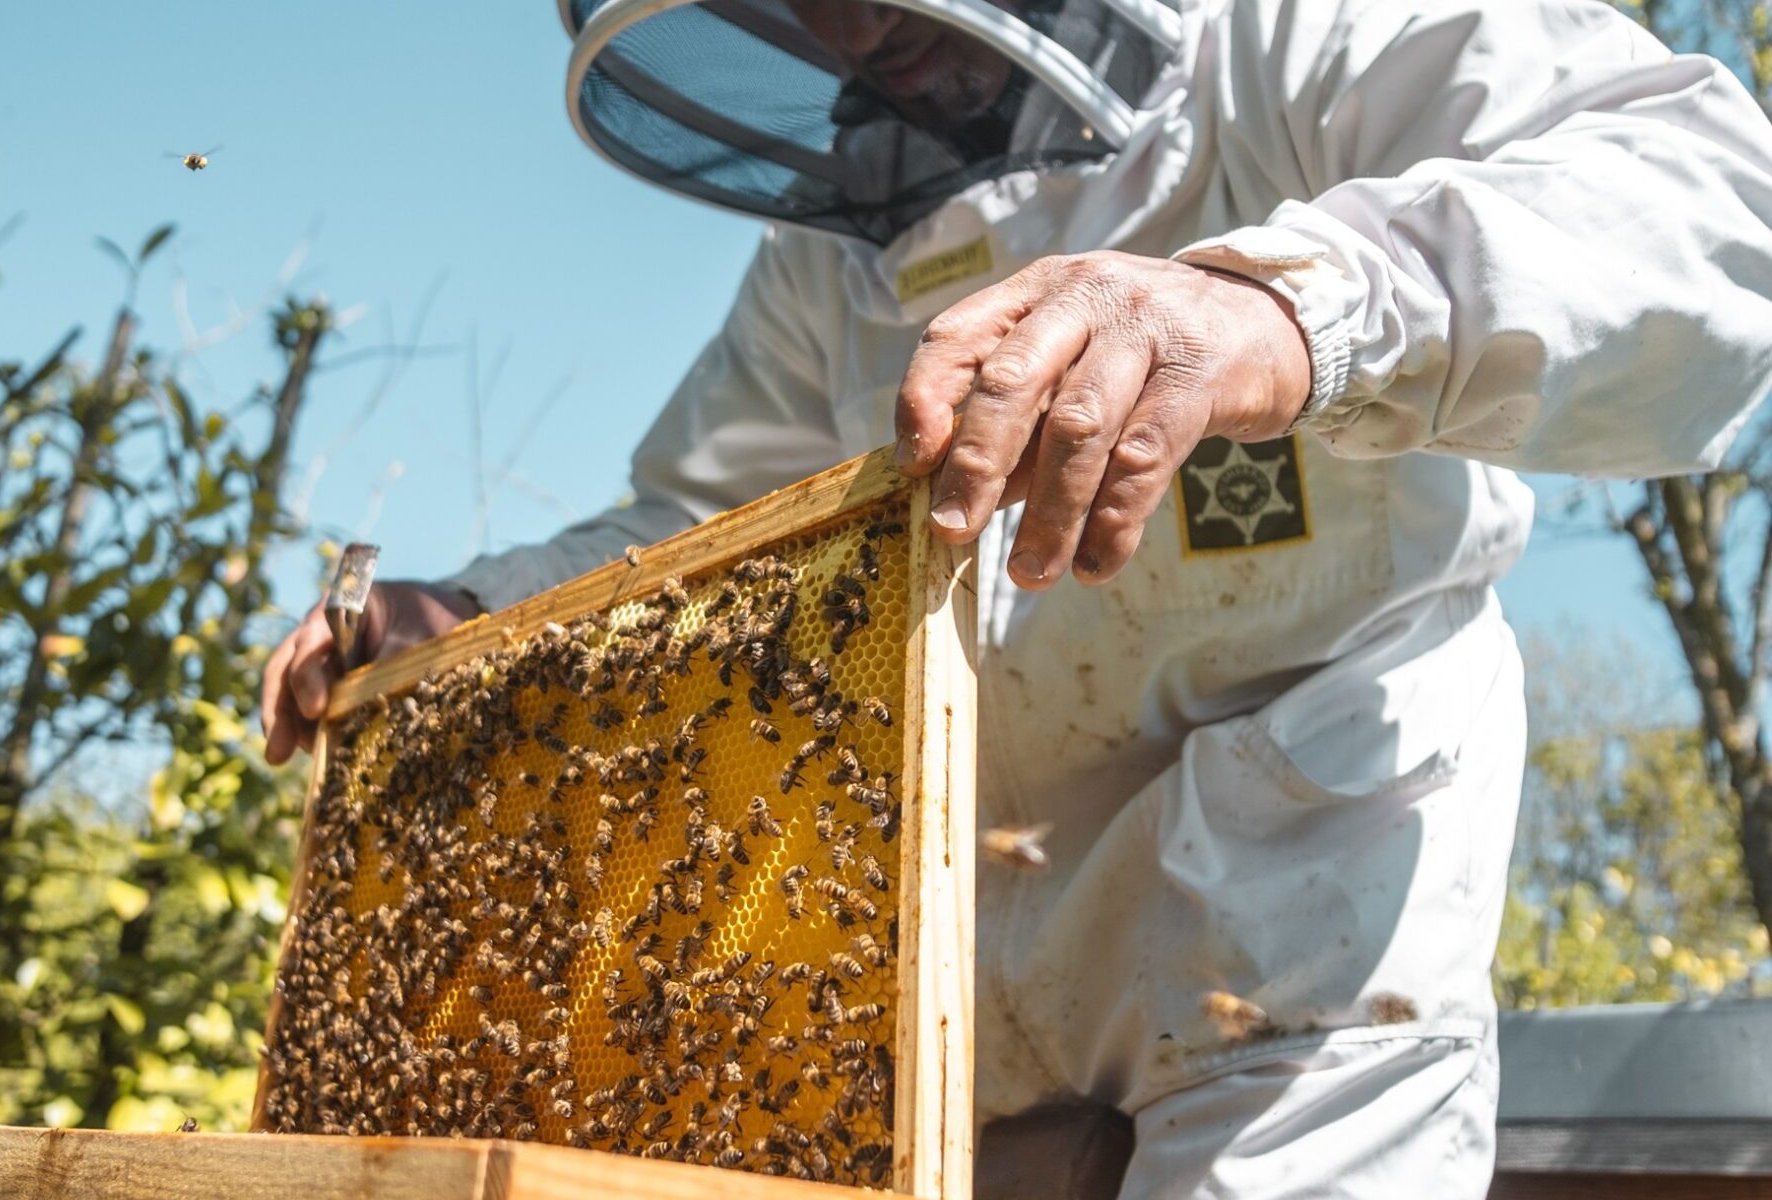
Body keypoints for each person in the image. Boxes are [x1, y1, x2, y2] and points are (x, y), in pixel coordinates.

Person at [262, 1, 1772, 1195]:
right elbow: (691, 528)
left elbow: (1710, 209)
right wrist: (462, 613)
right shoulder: (832, 264)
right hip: (926, 982)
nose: (846, 30)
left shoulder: (1299, 38)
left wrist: (1285, 304)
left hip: (1301, 926)